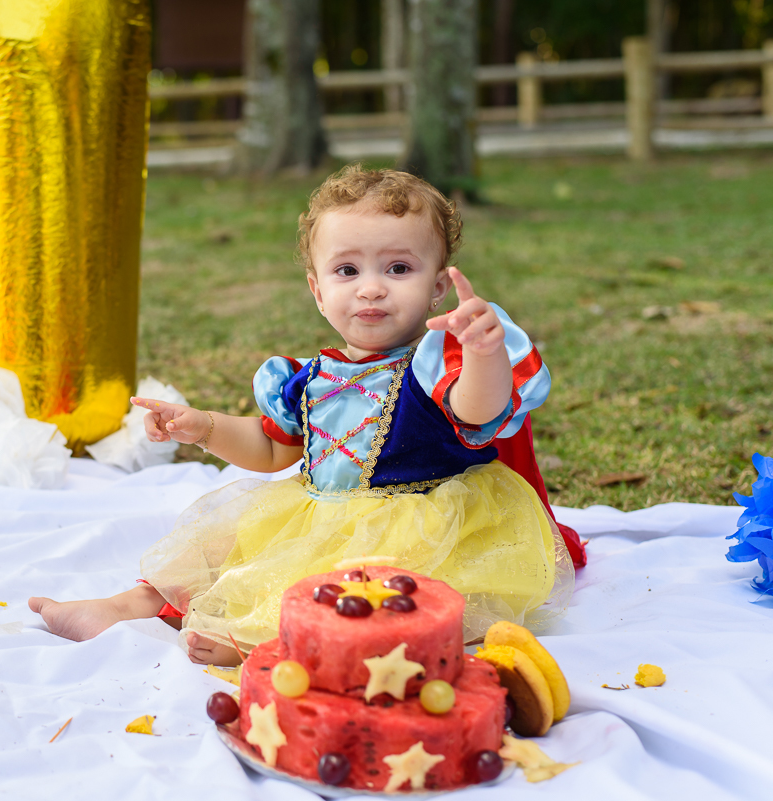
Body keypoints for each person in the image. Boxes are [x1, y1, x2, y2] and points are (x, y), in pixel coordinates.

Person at [29, 166, 574, 665]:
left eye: (399, 267)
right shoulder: (306, 378)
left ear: (437, 287)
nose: (371, 286)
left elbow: (479, 412)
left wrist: (483, 354)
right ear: (318, 290)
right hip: (320, 513)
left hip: (420, 523)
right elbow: (272, 450)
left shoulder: (438, 362)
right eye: (347, 269)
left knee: (361, 593)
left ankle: (260, 640)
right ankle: (124, 606)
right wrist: (205, 427)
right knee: (227, 552)